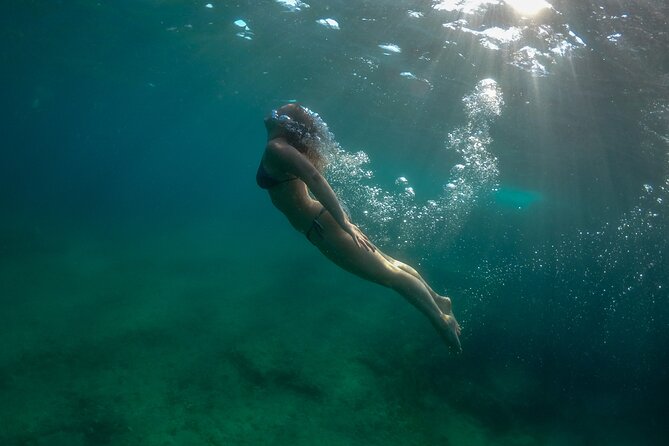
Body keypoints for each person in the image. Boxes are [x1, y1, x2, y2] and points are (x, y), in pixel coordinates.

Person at [257, 103, 462, 352]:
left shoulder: (277, 148)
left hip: (321, 227)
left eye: (281, 112)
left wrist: (343, 222)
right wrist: (342, 222)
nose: (274, 113)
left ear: (286, 124)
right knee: (392, 266)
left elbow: (314, 178)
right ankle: (439, 300)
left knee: (390, 276)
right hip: (321, 222)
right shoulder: (282, 148)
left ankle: (441, 322)